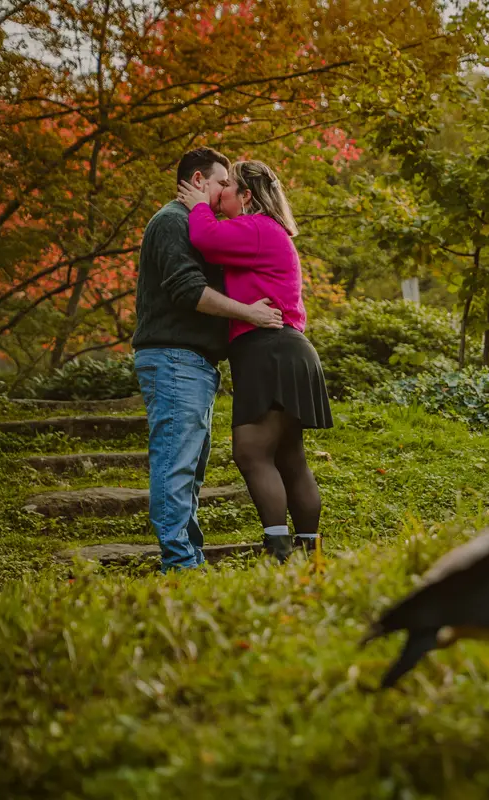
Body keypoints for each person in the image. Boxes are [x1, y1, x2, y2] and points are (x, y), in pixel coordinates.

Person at [132, 147, 284, 572]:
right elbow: (187, 290)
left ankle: (189, 558)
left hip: (191, 362)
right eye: (221, 183)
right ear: (198, 181)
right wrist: (251, 313)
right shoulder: (172, 222)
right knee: (176, 465)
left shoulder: (193, 225)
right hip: (174, 357)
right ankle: (179, 565)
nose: (225, 192)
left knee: (190, 468)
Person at [176, 159, 333, 565]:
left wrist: (196, 204)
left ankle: (280, 551)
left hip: (270, 349)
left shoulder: (257, 227)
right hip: (286, 347)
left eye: (227, 186)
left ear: (246, 196)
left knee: (251, 452)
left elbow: (205, 238)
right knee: (288, 456)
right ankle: (308, 553)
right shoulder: (266, 232)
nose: (220, 192)